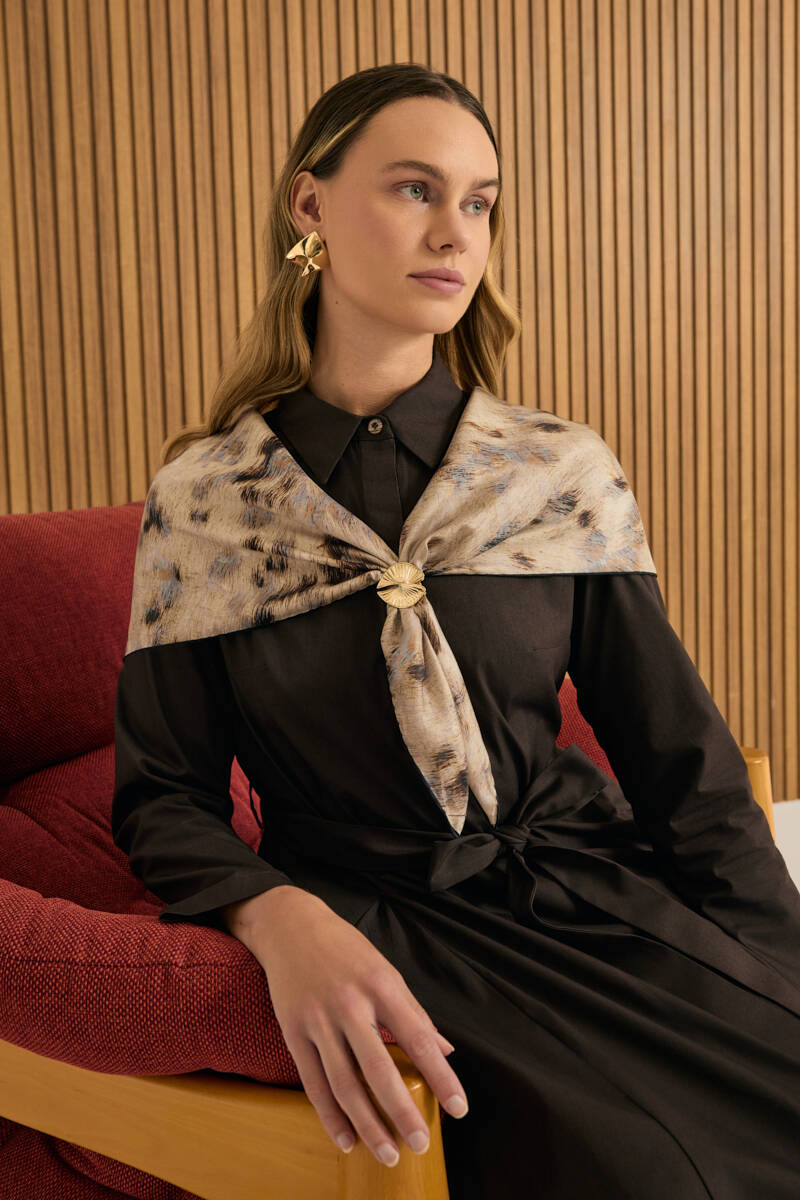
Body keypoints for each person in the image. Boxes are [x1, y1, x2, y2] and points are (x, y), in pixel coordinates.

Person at [112, 63, 800, 1198]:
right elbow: (163, 798)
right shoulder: (208, 504)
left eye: (478, 202)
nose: (454, 233)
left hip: (589, 894)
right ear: (310, 203)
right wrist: (277, 917)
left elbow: (681, 759)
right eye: (413, 189)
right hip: (390, 933)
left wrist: (773, 962)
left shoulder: (553, 474)